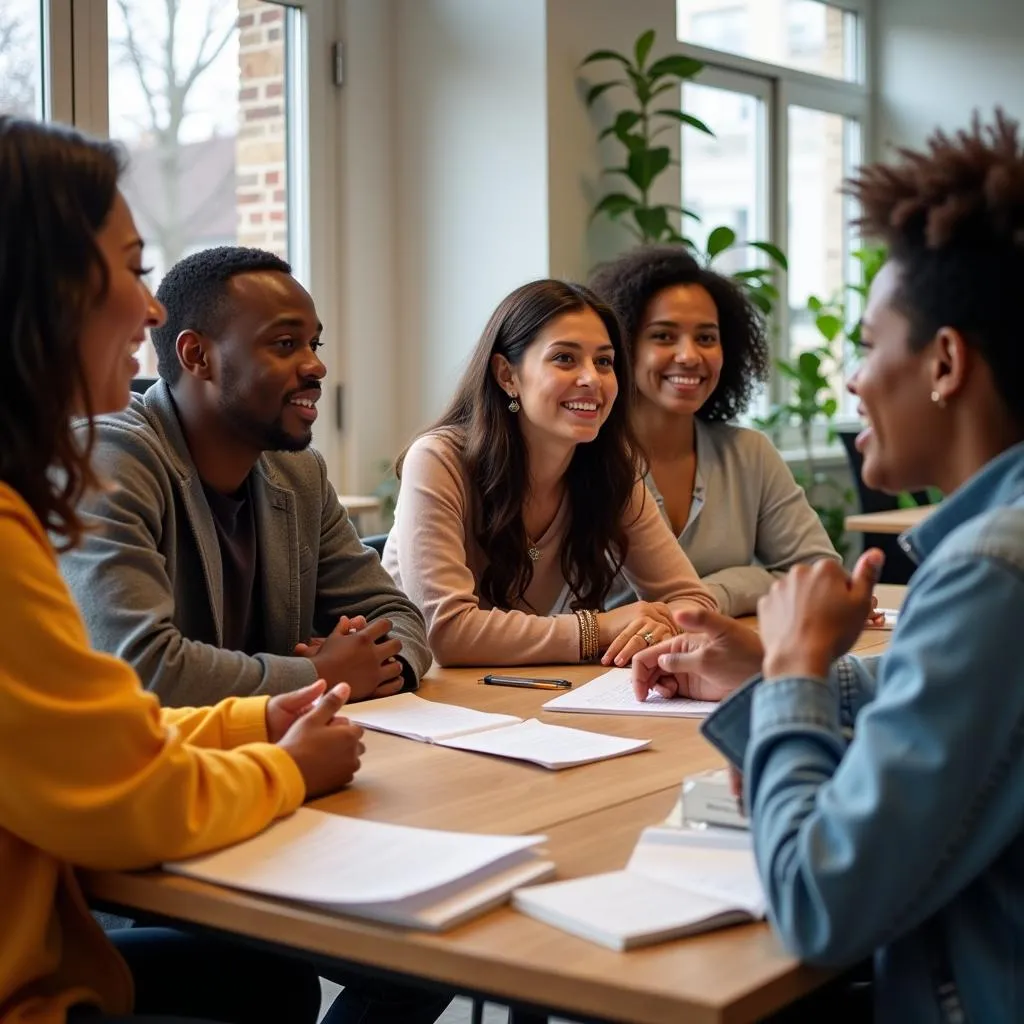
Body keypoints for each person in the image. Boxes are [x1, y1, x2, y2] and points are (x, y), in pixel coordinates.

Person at [634, 110, 1024, 1021]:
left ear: (945, 363)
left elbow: (820, 905)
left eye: (867, 344)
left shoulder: (990, 571)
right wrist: (772, 668)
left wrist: (799, 674)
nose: (852, 379)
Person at [0, 115, 368, 1023]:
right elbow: (125, 787)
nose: (152, 309)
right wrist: (289, 763)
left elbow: (91, 738)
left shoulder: (296, 470)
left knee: (270, 981)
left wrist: (260, 712)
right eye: (129, 268)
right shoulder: (58, 494)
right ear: (39, 289)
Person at [59, 246, 430, 708]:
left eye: (313, 344)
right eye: (284, 344)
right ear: (197, 356)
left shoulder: (299, 472)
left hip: (268, 750)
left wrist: (375, 664)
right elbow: (141, 669)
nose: (316, 367)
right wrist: (321, 674)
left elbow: (395, 614)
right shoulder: (111, 459)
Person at [382, 278, 716, 668]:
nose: (592, 378)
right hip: (414, 696)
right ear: (507, 376)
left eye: (604, 361)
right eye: (565, 358)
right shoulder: (438, 460)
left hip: (512, 693)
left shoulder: (610, 468)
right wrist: (600, 628)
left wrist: (660, 629)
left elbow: (696, 606)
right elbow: (447, 633)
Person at [589, 245, 840, 616]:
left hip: (716, 657)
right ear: (623, 346)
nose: (689, 355)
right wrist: (757, 581)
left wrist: (711, 596)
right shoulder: (583, 458)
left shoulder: (749, 453)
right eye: (663, 336)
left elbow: (821, 574)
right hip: (591, 669)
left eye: (706, 338)